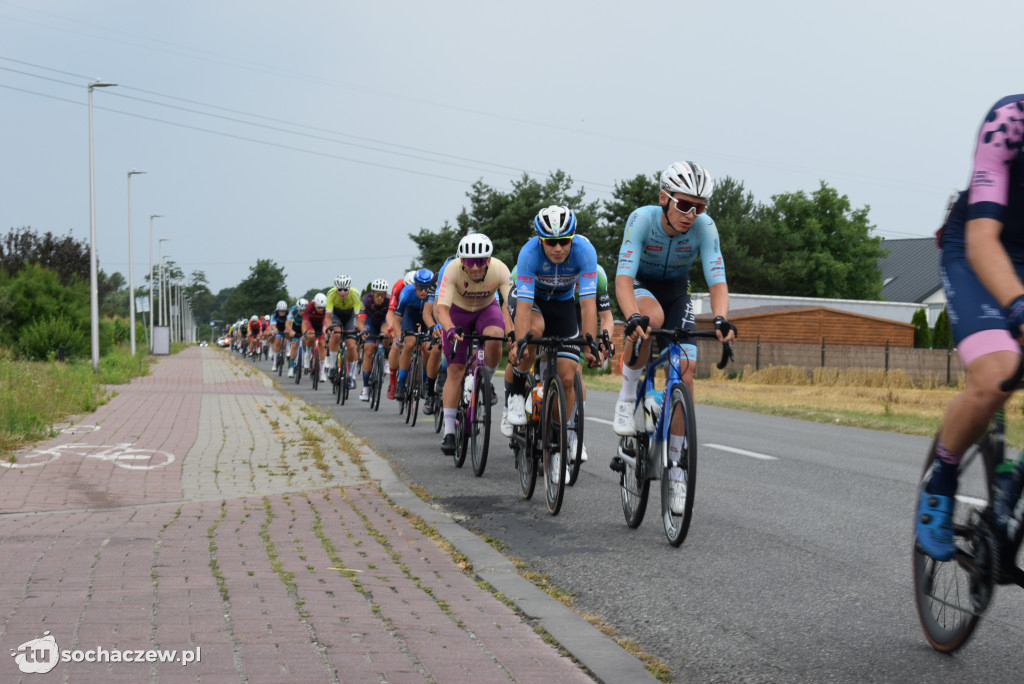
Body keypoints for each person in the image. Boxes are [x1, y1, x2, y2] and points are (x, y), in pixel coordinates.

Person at [916, 94, 1024, 561]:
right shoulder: (1009, 122)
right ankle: (941, 480)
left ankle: (1012, 479)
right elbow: (983, 240)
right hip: (979, 249)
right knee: (999, 372)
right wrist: (1018, 307)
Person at [611, 161, 736, 515]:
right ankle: (626, 396)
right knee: (651, 320)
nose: (691, 214)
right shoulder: (642, 219)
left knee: (686, 369)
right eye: (684, 204)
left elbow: (718, 281)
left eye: (700, 207)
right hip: (641, 287)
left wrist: (723, 318)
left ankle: (677, 470)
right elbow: (623, 279)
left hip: (678, 290)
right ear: (664, 198)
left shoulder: (705, 229)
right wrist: (632, 314)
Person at [504, 206, 602, 479]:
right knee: (533, 334)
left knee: (568, 377)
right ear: (540, 239)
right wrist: (522, 344)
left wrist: (589, 343)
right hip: (532, 302)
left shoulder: (585, 252)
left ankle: (557, 447)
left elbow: (587, 304)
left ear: (573, 238)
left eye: (564, 241)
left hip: (562, 305)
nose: (558, 248)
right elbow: (522, 307)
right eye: (551, 242)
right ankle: (515, 392)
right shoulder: (528, 254)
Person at [434, 233, 513, 456]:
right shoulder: (451, 270)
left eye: (481, 261)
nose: (476, 267)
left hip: (486, 309)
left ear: (489, 260)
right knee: (456, 371)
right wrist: (449, 329)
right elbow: (441, 308)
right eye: (470, 261)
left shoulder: (500, 269)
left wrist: (514, 331)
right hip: (457, 313)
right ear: (462, 261)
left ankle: (485, 377)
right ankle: (449, 431)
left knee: (495, 335)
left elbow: (511, 302)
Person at [392, 268, 440, 404]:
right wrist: (398, 336)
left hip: (426, 320)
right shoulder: (406, 293)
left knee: (427, 349)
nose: (424, 291)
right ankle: (401, 385)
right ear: (414, 286)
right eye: (420, 288)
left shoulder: (435, 294)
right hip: (409, 318)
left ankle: (425, 382)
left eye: (427, 288)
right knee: (409, 344)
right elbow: (397, 319)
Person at [325, 274, 363, 388]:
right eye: (339, 290)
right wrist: (329, 327)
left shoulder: (355, 294)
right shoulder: (331, 294)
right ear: (336, 289)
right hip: (337, 315)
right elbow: (328, 316)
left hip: (350, 316)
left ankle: (351, 376)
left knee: (351, 345)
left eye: (345, 290)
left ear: (349, 288)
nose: (342, 292)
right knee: (335, 335)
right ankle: (332, 367)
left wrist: (357, 329)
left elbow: (357, 316)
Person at [357, 279, 391, 401]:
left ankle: (387, 359)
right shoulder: (365, 300)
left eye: (382, 295)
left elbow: (392, 319)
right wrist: (363, 331)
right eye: (377, 294)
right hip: (370, 322)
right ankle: (365, 388)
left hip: (383, 322)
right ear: (372, 293)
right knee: (369, 350)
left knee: (387, 332)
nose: (380, 298)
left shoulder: (389, 300)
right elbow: (360, 321)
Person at [302, 293, 330, 384]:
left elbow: (326, 321)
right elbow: (305, 322)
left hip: (320, 324)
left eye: (323, 308)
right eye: (319, 307)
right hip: (311, 323)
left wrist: (326, 331)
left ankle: (322, 372)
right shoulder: (309, 306)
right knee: (311, 336)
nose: (321, 309)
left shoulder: (327, 308)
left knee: (322, 344)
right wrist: (304, 333)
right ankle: (308, 354)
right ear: (314, 304)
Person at [284, 298, 308, 377]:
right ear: (297, 308)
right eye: (300, 310)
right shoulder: (292, 310)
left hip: (305, 326)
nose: (301, 312)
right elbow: (287, 324)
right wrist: (290, 331)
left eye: (303, 311)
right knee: (294, 345)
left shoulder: (308, 311)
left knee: (306, 341)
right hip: (296, 326)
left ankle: (306, 359)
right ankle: (291, 368)